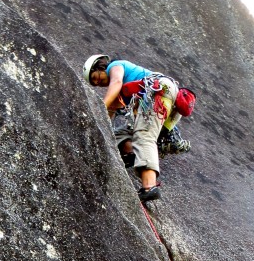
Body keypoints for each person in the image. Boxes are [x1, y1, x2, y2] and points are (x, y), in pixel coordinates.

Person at [82, 54, 195, 202]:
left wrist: (99, 106)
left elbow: (115, 83)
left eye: (95, 77)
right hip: (172, 99)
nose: (98, 83)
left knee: (144, 135)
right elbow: (107, 118)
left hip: (159, 92)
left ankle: (149, 187)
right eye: (95, 84)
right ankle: (131, 153)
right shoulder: (122, 93)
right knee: (120, 134)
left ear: (99, 66)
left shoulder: (115, 66)